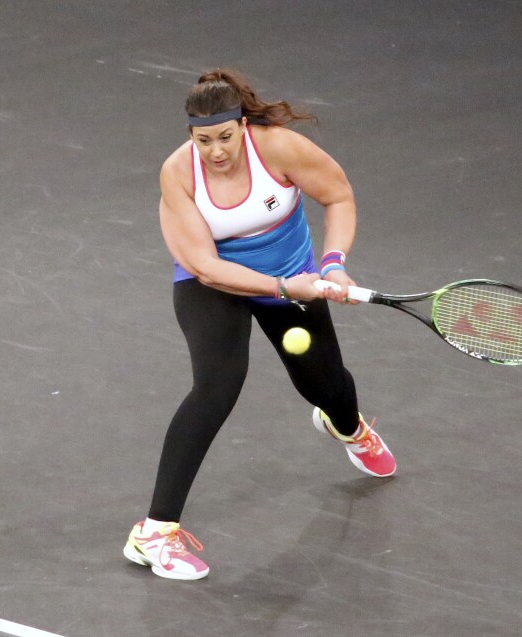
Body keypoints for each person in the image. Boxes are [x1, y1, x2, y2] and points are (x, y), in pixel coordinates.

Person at [123, 69, 396, 581]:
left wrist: (332, 263)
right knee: (216, 385)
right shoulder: (178, 174)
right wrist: (284, 289)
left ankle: (347, 426)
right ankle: (154, 533)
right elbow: (206, 266)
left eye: (225, 137)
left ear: (242, 126)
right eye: (203, 140)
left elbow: (337, 196)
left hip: (294, 273)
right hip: (214, 287)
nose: (216, 151)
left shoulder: (281, 148)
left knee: (327, 385)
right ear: (190, 136)